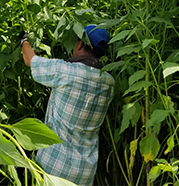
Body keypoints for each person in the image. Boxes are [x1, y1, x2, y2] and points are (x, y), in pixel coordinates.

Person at [21, 25, 115, 186]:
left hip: (53, 165)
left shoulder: (65, 71)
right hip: (85, 171)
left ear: (79, 44)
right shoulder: (109, 82)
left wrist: (24, 40)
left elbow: (30, 60)